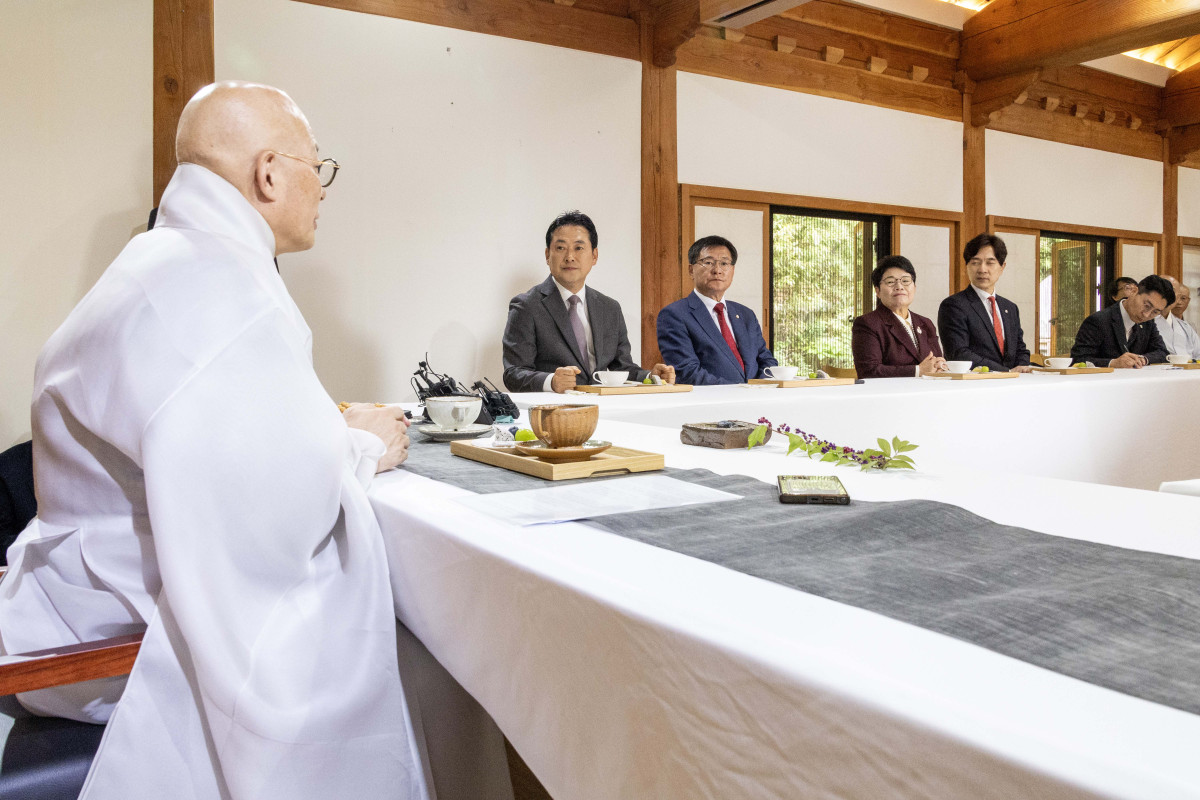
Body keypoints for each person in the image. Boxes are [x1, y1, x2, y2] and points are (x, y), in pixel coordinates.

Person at [0, 82, 428, 799]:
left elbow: (225, 447)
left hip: (72, 595)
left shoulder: (164, 262)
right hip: (110, 639)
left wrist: (331, 434)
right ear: (268, 173)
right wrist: (361, 448)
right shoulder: (215, 282)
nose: (321, 190)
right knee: (416, 648)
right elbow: (266, 510)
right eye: (315, 169)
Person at [502, 211, 674, 392]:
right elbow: (513, 374)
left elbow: (622, 368)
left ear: (594, 256)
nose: (570, 256)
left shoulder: (610, 308)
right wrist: (551, 381)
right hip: (556, 411)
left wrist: (650, 377)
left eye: (579, 248)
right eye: (560, 248)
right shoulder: (526, 306)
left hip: (604, 408)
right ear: (547, 255)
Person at [656, 236, 776, 384]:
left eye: (724, 263)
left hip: (756, 400)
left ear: (732, 270)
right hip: (710, 403)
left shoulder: (746, 314)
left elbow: (766, 361)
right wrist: (741, 392)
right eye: (708, 263)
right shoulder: (674, 314)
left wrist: (761, 388)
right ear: (691, 270)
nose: (717, 270)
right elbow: (687, 372)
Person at [937, 233, 1032, 373]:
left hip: (1013, 384)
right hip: (976, 385)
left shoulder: (1010, 308)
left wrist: (1022, 368)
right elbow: (959, 354)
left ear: (1002, 267)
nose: (982, 269)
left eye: (990, 262)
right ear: (967, 266)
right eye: (975, 262)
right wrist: (1006, 372)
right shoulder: (953, 306)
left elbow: (1020, 349)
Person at [852, 255, 948, 378]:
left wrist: (939, 364)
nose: (899, 286)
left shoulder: (925, 323)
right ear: (878, 291)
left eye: (906, 281)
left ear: (914, 287)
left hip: (926, 393)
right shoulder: (867, 323)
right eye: (890, 282)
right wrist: (918, 371)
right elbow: (869, 371)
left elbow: (935, 361)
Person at [1071, 274, 1174, 368]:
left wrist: (1143, 359)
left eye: (1155, 312)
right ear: (1134, 291)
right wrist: (1112, 363)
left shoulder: (1148, 323)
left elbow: (1162, 353)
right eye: (1146, 305)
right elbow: (1078, 360)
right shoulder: (1099, 321)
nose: (1147, 315)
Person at [1155, 278, 1200, 360]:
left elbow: (1198, 354)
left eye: (1172, 290)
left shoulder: (1186, 327)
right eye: (1162, 289)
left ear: (1178, 297)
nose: (1167, 294)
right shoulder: (1144, 322)